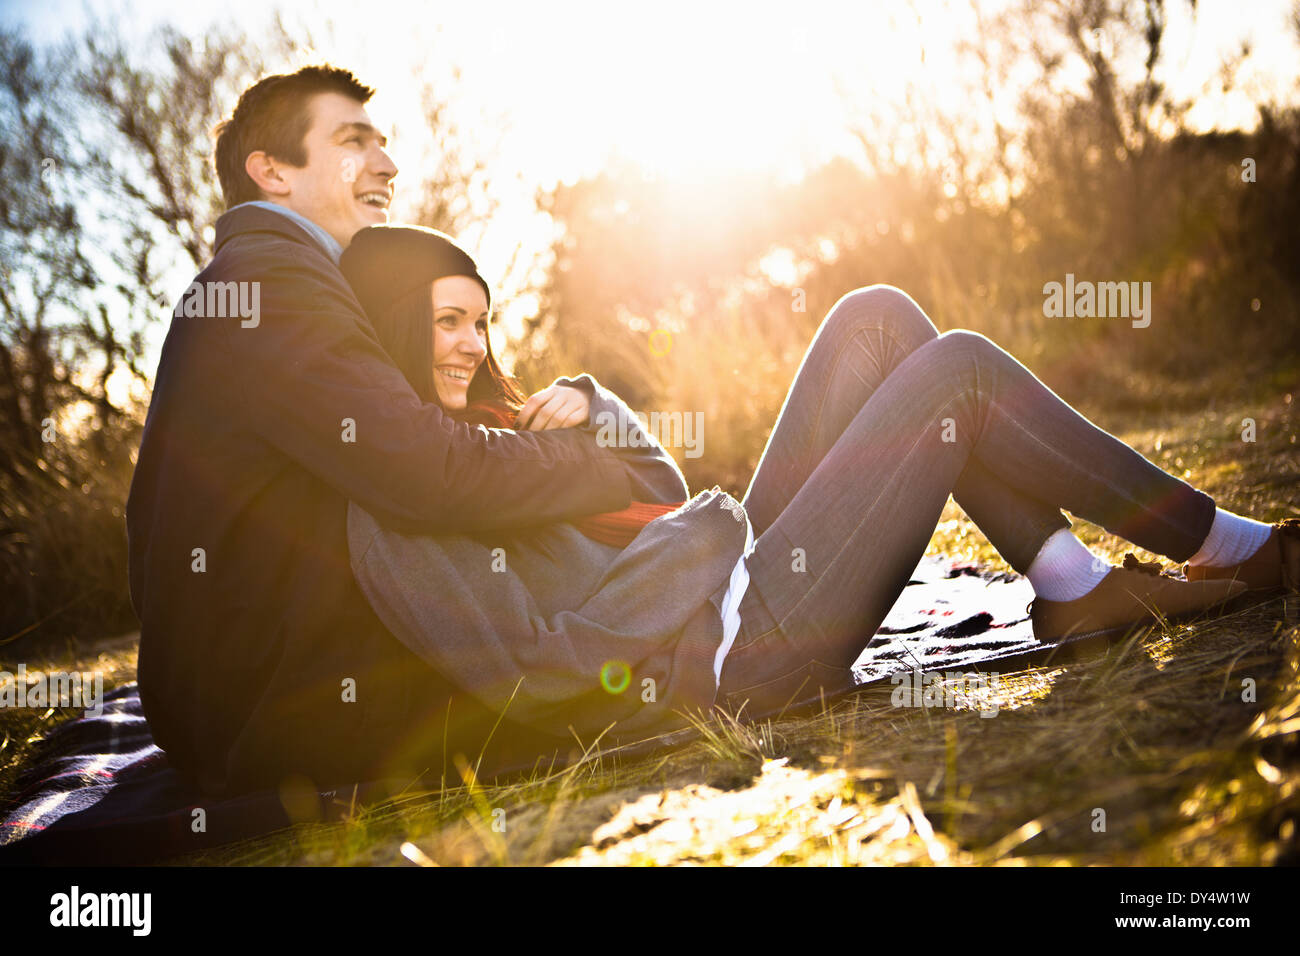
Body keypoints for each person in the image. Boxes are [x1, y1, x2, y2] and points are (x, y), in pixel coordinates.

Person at [337, 227, 1297, 740]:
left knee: (877, 318)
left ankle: (1072, 586)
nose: (472, 346)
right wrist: (698, 547)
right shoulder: (397, 506)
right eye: (447, 323)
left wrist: (594, 408)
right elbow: (527, 674)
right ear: (389, 324)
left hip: (731, 578)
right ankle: (1219, 544)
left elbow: (660, 488)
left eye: (480, 323)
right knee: (956, 370)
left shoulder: (487, 433)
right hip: (726, 662)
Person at [125, 65, 643, 796]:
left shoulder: (263, 278)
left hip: (245, 690)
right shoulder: (271, 285)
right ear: (271, 171)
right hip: (280, 706)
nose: (389, 164)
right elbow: (429, 472)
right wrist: (595, 468)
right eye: (353, 142)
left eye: (384, 144)